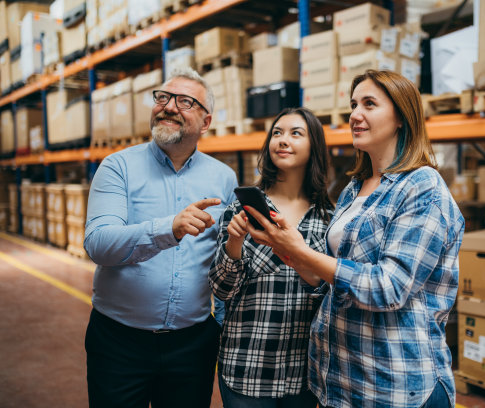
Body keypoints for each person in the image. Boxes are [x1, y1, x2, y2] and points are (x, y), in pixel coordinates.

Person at [243, 70, 465, 408]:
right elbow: (330, 280)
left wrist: (301, 250)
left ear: (401, 118)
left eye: (369, 104)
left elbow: (388, 288)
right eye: (353, 105)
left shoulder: (423, 188)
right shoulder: (354, 188)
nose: (355, 114)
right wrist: (288, 250)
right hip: (342, 381)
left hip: (395, 384)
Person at [83, 67, 238, 408]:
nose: (168, 107)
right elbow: (98, 243)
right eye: (163, 97)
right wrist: (169, 228)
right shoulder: (117, 167)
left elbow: (223, 258)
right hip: (119, 342)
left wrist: (222, 326)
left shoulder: (223, 178)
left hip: (192, 345)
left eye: (184, 101)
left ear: (206, 122)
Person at [208, 107, 334, 408]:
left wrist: (299, 257)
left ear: (314, 145)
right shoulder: (243, 210)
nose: (282, 140)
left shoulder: (329, 219)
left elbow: (331, 291)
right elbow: (221, 290)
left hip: (303, 375)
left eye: (295, 133)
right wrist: (235, 241)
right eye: (276, 133)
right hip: (247, 369)